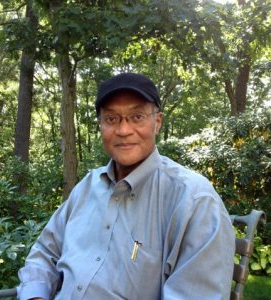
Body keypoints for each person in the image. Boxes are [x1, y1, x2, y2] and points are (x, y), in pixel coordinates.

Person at [17, 73, 235, 300]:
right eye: (111, 119)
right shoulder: (87, 188)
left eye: (137, 116)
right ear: (101, 125)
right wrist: (36, 296)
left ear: (157, 122)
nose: (123, 130)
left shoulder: (193, 199)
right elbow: (44, 252)